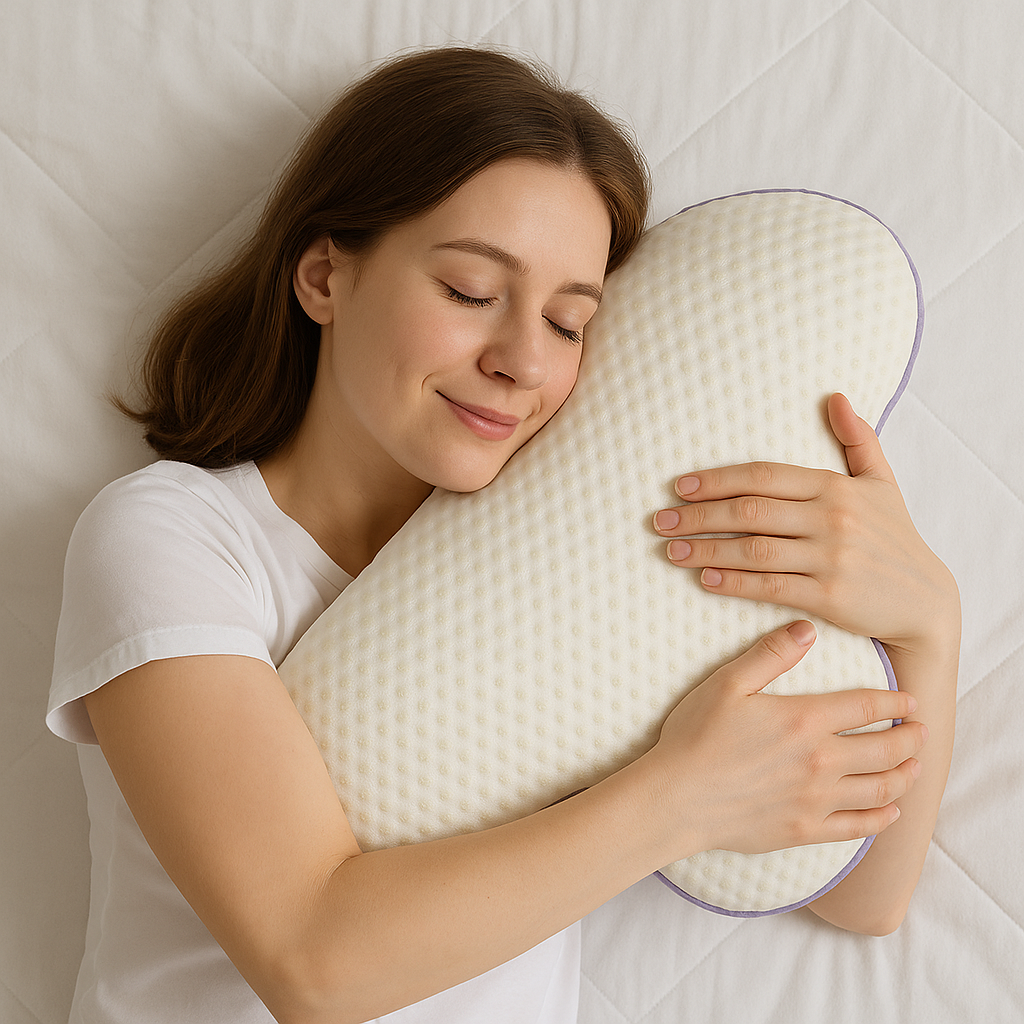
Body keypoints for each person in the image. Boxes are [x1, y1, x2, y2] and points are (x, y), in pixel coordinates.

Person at [47, 46, 959, 1024]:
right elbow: (313, 963)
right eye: (471, 291)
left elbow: (862, 896)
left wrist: (928, 626)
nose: (524, 360)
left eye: (568, 323)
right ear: (323, 276)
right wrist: (682, 797)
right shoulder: (174, 536)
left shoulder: (579, 572)